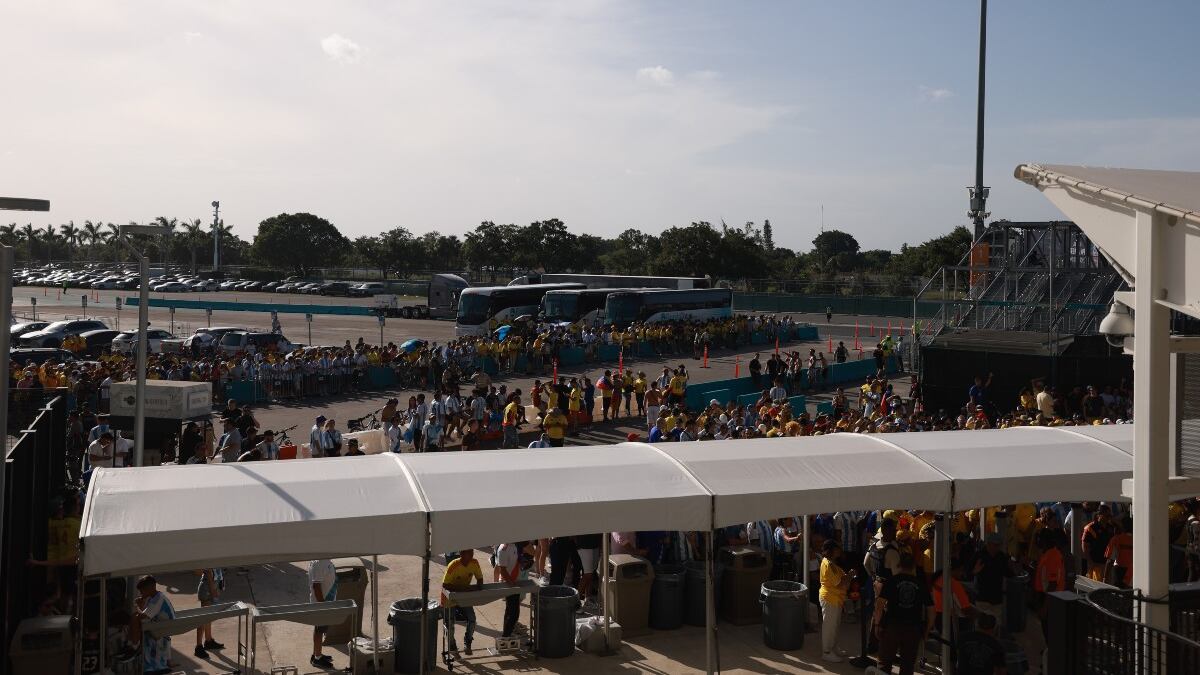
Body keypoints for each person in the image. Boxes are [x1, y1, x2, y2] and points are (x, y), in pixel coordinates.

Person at [867, 552, 931, 675]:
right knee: (907, 665)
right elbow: (931, 611)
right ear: (913, 566)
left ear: (899, 565)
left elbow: (879, 605)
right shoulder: (921, 584)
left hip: (892, 626)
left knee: (884, 664)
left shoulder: (891, 581)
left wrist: (877, 624)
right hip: (913, 628)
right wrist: (927, 631)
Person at [127, 575, 176, 675]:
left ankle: (134, 646)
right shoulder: (152, 597)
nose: (140, 594)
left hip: (162, 629)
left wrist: (137, 606)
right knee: (134, 618)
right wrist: (140, 606)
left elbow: (142, 616)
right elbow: (145, 614)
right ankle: (134, 645)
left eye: (142, 591)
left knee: (134, 617)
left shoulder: (158, 599)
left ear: (150, 588)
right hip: (157, 626)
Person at [441, 549, 484, 655]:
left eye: (472, 553)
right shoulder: (453, 565)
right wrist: (464, 588)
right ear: (461, 554)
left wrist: (479, 587)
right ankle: (452, 645)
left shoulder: (474, 563)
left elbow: (480, 578)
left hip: (464, 597)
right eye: (469, 553)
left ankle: (468, 641)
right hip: (449, 598)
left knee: (472, 619)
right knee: (450, 623)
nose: (472, 555)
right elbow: (445, 585)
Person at [819, 540, 852, 663]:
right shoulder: (829, 564)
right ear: (831, 551)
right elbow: (840, 583)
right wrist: (850, 576)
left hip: (835, 599)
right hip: (830, 598)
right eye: (837, 549)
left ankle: (832, 647)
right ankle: (826, 652)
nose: (839, 551)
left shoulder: (832, 563)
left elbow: (842, 580)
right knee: (829, 626)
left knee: (835, 625)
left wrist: (847, 577)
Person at [308, 558, 338, 668]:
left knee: (319, 629)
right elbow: (316, 586)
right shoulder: (319, 563)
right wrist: (323, 605)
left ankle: (317, 654)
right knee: (319, 630)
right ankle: (317, 658)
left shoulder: (324, 560)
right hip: (322, 604)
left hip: (326, 602)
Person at [495, 541, 529, 638]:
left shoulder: (516, 545)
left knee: (510, 611)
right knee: (514, 614)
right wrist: (512, 584)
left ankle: (507, 634)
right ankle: (506, 636)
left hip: (514, 581)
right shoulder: (503, 549)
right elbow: (502, 570)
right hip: (509, 583)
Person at [193, 568, 224, 659]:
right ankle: (198, 647)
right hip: (207, 591)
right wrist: (214, 594)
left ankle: (208, 640)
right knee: (204, 619)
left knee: (208, 618)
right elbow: (208, 575)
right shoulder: (210, 560)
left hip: (210, 589)